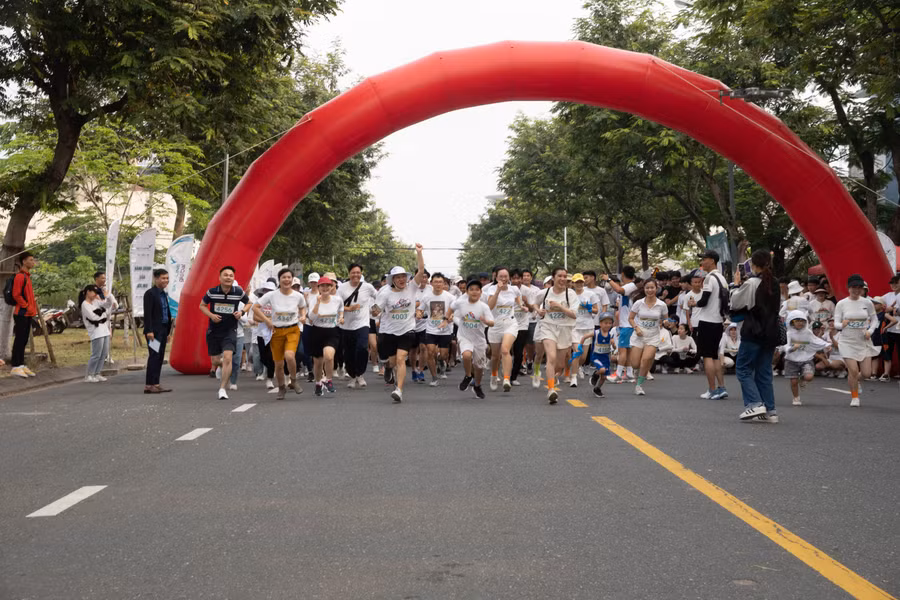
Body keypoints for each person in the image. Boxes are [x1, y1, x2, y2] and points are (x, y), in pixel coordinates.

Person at [730, 249, 781, 423]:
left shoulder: (751, 282)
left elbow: (735, 302)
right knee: (764, 371)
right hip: (771, 331)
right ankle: (770, 410)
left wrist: (735, 285)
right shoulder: (774, 282)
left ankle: (755, 402)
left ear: (753, 265)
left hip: (753, 330)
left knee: (743, 369)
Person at [371, 244, 426, 403]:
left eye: (403, 276)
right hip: (388, 331)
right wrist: (374, 311)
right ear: (392, 280)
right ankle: (388, 367)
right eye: (397, 277)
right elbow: (376, 309)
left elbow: (421, 271)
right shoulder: (385, 292)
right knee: (393, 361)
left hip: (407, 330)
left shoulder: (411, 288)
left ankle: (399, 390)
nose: (401, 279)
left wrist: (419, 253)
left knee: (402, 359)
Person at [252, 268, 308, 400]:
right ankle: (282, 387)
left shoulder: (298, 296)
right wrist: (267, 320)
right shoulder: (272, 295)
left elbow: (302, 308)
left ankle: (293, 381)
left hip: (292, 330)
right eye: (284, 277)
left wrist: (303, 316)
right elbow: (255, 307)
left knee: (289, 356)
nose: (287, 280)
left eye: (289, 277)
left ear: (292, 279)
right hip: (276, 331)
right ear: (280, 280)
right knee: (278, 364)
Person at [199, 266, 252, 400]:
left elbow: (249, 303)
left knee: (228, 357)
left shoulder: (238, 292)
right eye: (225, 275)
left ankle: (222, 388)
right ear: (220, 278)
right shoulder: (212, 292)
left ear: (233, 278)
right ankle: (223, 369)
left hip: (230, 330)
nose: (228, 277)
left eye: (231, 275)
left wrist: (241, 312)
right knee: (216, 360)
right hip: (214, 330)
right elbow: (202, 305)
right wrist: (211, 315)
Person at [833, 274, 879, 406]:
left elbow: (875, 320)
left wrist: (870, 331)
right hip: (847, 341)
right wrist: (842, 325)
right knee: (853, 370)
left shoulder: (867, 302)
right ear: (848, 288)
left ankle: (856, 381)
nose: (857, 290)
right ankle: (854, 397)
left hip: (863, 341)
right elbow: (836, 323)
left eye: (859, 287)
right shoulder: (842, 304)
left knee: (866, 373)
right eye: (854, 287)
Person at [444, 279, 494, 398]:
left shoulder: (484, 307)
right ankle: (468, 375)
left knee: (479, 367)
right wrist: (446, 318)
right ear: (467, 291)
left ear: (481, 292)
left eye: (477, 290)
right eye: (471, 289)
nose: (474, 292)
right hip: (464, 336)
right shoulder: (461, 303)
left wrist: (486, 321)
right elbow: (451, 308)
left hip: (479, 339)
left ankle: (477, 385)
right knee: (466, 355)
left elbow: (492, 323)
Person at [534, 267, 577, 404]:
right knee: (550, 357)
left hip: (565, 329)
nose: (563, 279)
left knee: (559, 364)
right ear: (553, 278)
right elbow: (534, 303)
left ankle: (555, 376)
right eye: (560, 276)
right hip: (548, 326)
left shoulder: (570, 294)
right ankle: (551, 390)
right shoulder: (545, 292)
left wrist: (560, 307)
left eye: (565, 276)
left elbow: (574, 315)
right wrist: (539, 311)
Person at [691, 250, 729, 400]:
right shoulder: (722, 278)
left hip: (707, 321)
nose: (702, 262)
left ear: (712, 261)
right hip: (718, 322)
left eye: (704, 259)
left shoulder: (708, 279)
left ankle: (712, 390)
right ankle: (721, 387)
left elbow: (704, 300)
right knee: (715, 356)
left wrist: (694, 303)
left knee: (707, 356)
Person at [484, 267, 523, 392]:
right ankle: (494, 375)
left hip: (510, 323)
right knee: (495, 356)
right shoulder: (491, 289)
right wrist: (497, 291)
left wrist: (523, 306)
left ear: (509, 278)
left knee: (505, 350)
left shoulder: (514, 289)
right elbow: (489, 306)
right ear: (496, 278)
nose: (504, 279)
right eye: (501, 276)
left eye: (506, 276)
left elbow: (518, 301)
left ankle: (506, 379)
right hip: (495, 325)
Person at [337, 263, 377, 389]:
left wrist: (375, 310)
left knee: (362, 348)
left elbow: (380, 298)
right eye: (353, 272)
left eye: (358, 272)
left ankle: (360, 373)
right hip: (346, 326)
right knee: (348, 353)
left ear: (361, 274)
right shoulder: (342, 288)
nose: (356, 275)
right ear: (349, 274)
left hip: (363, 324)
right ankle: (352, 376)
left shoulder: (368, 287)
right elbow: (336, 306)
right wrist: (349, 308)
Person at [627, 279, 668, 396]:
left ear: (656, 288)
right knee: (635, 364)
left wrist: (667, 322)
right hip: (638, 335)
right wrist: (636, 327)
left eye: (652, 288)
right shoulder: (638, 303)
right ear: (644, 289)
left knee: (645, 360)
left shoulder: (662, 305)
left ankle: (639, 385)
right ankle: (637, 372)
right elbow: (630, 318)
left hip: (653, 336)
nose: (650, 290)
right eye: (647, 288)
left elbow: (666, 319)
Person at [782, 310, 830, 406]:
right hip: (791, 360)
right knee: (794, 381)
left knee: (809, 377)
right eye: (797, 321)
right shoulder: (789, 334)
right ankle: (796, 398)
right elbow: (784, 346)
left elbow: (815, 340)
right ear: (792, 322)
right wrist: (792, 348)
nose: (800, 323)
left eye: (802, 321)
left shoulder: (807, 332)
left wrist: (826, 345)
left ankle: (802, 379)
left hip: (806, 359)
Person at [306, 276, 344, 396]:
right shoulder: (313, 300)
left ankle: (328, 380)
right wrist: (318, 302)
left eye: (328, 285)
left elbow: (341, 310)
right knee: (318, 363)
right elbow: (311, 318)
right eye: (322, 285)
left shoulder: (337, 300)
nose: (325, 288)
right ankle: (318, 383)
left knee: (329, 356)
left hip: (332, 332)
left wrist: (341, 317)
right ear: (318, 287)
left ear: (332, 287)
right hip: (317, 332)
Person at [603, 266, 638, 383]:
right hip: (626, 323)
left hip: (628, 324)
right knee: (626, 351)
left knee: (622, 350)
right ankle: (629, 374)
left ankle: (618, 374)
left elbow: (619, 290)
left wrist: (608, 279)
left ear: (622, 274)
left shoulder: (630, 286)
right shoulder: (631, 286)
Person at [419, 273, 455, 386]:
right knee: (430, 352)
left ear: (444, 284)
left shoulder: (450, 297)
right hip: (431, 329)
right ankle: (434, 378)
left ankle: (441, 362)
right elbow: (420, 310)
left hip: (446, 330)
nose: (438, 284)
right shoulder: (426, 297)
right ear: (432, 283)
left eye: (440, 282)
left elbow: (455, 312)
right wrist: (418, 314)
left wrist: (449, 319)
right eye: (436, 282)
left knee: (443, 355)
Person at [143, 268, 173, 394]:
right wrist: (149, 330)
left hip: (162, 330)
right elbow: (148, 314)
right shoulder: (150, 293)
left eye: (167, 278)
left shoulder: (163, 294)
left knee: (160, 357)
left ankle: (156, 383)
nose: (165, 280)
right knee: (154, 356)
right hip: (153, 332)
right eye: (163, 278)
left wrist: (168, 332)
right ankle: (149, 385)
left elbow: (166, 312)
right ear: (156, 279)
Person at [80, 283, 117, 382]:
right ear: (88, 292)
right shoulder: (85, 304)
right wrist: (103, 314)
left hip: (104, 330)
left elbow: (108, 305)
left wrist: (107, 296)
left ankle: (97, 373)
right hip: (95, 332)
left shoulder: (96, 302)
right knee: (96, 354)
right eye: (94, 292)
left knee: (104, 354)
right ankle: (89, 375)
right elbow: (93, 317)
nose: (95, 295)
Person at [9, 251, 38, 378]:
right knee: (19, 339)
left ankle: (21, 364)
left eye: (33, 260)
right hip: (21, 313)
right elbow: (16, 295)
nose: (33, 262)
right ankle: (15, 365)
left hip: (28, 313)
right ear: (24, 261)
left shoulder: (27, 276)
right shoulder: (20, 276)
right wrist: (26, 306)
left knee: (24, 339)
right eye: (30, 260)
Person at [569, 273, 599, 386]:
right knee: (577, 352)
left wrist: (589, 307)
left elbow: (596, 310)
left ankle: (579, 366)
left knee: (583, 357)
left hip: (587, 327)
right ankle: (573, 378)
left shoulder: (590, 294)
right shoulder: (570, 294)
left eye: (581, 282)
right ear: (573, 283)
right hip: (575, 327)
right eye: (576, 282)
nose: (579, 284)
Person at [583, 311, 615, 397]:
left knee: (604, 377)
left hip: (605, 358)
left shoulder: (611, 334)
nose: (608, 325)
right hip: (596, 357)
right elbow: (584, 336)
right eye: (605, 323)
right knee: (602, 370)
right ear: (600, 323)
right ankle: (595, 375)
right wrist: (580, 345)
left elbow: (615, 347)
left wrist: (614, 344)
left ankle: (597, 389)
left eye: (610, 323)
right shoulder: (596, 333)